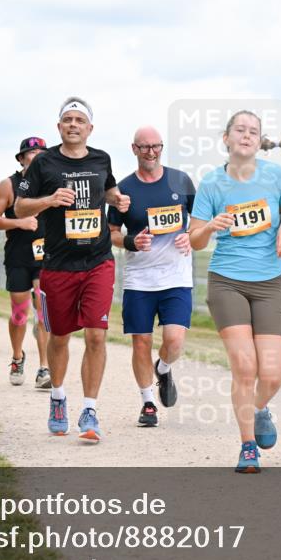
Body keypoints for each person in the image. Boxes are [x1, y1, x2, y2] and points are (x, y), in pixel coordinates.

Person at [14, 96, 131, 441]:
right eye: (68, 120)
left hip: (98, 260)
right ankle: (58, 398)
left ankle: (90, 410)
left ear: (89, 128)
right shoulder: (44, 163)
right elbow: (20, 207)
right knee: (60, 337)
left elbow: (108, 191)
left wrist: (118, 200)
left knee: (96, 334)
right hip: (58, 264)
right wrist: (49, 201)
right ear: (59, 127)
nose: (74, 125)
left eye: (80, 120)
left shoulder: (101, 159)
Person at [188, 110, 281, 473]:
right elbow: (194, 239)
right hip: (227, 281)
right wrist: (211, 227)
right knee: (245, 367)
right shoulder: (211, 184)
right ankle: (247, 446)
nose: (247, 135)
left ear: (259, 139)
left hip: (269, 282)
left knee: (273, 374)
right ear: (227, 138)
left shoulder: (276, 175)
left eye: (254, 131)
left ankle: (260, 408)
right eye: (240, 130)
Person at [108, 126, 196, 427]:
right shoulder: (122, 190)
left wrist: (190, 235)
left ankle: (164, 367)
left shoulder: (181, 181)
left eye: (156, 146)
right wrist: (131, 242)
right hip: (140, 279)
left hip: (177, 277)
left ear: (162, 147)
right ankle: (148, 403)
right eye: (144, 147)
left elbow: (199, 221)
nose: (150, 152)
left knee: (174, 341)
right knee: (141, 342)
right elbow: (112, 234)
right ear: (134, 149)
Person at [0, 136, 52, 387]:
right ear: (21, 158)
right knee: (19, 314)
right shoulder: (8, 186)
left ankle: (44, 368)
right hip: (18, 256)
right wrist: (19, 222)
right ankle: (17, 356)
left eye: (42, 154)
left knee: (44, 312)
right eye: (32, 154)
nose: (37, 158)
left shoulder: (52, 185)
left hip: (46, 255)